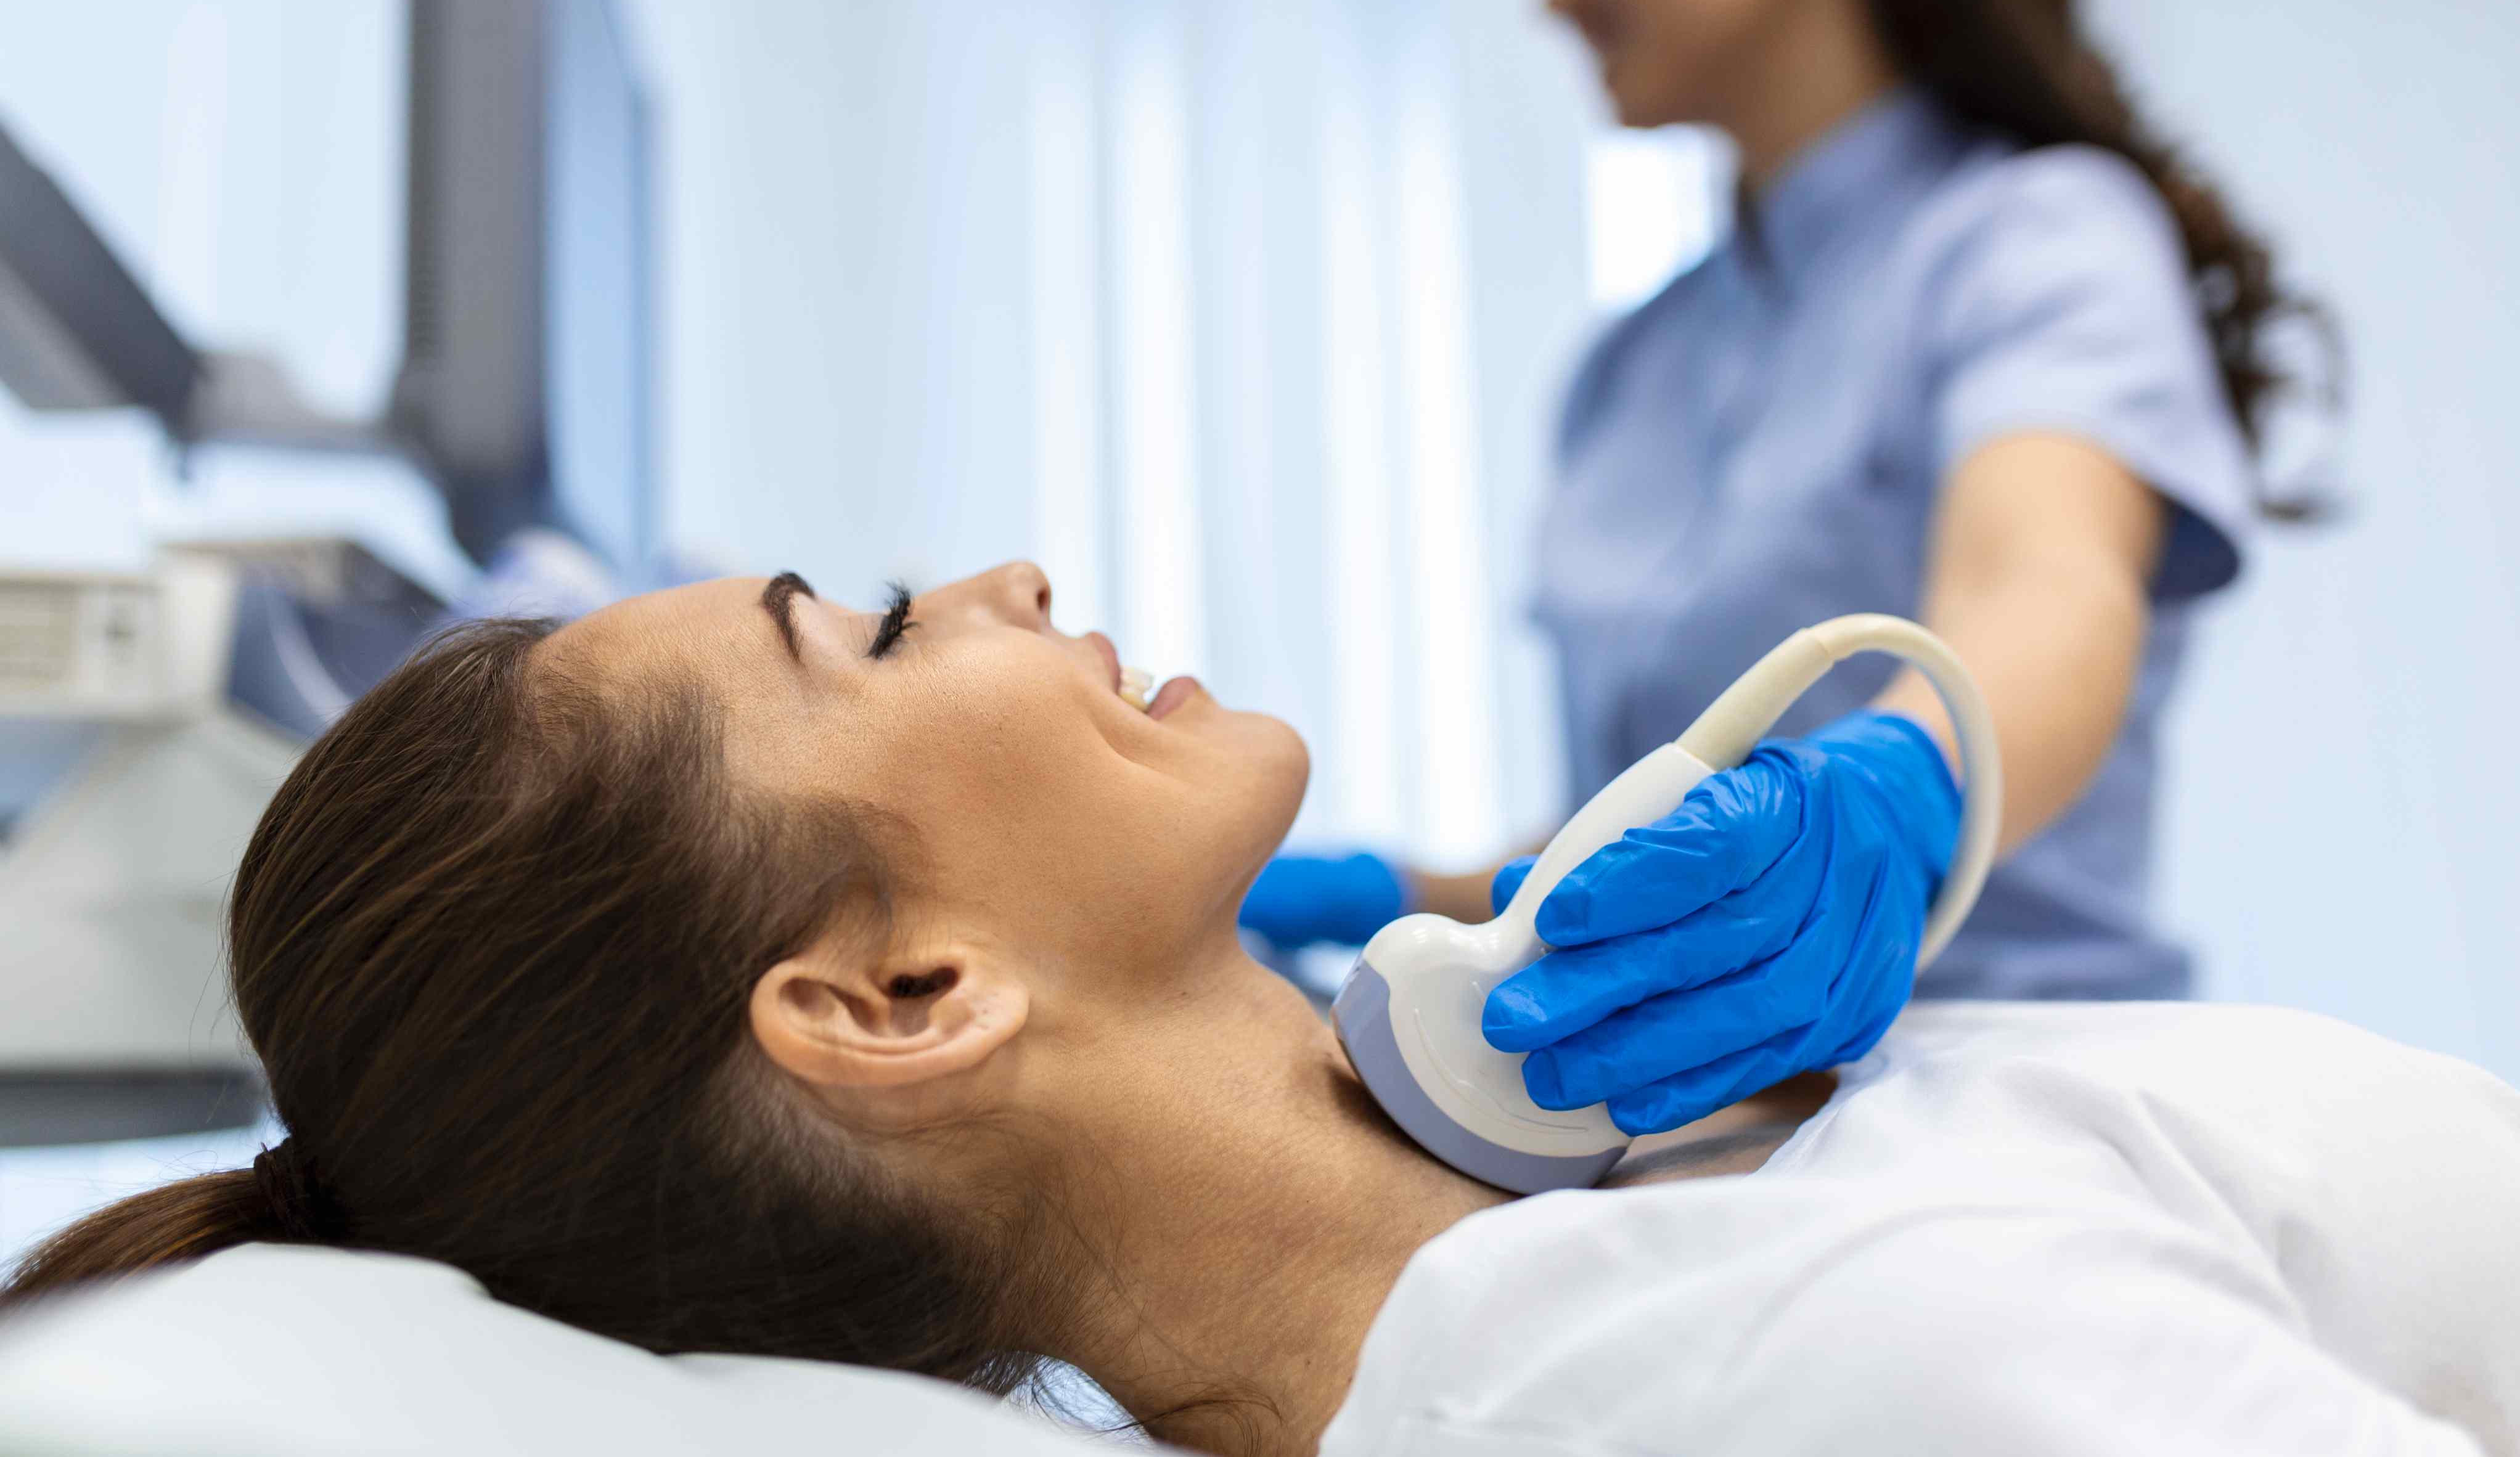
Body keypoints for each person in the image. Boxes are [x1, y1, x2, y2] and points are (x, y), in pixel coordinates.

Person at [6, 567, 2511, 1457]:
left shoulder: (1587, 1173)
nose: (1002, 573)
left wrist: (1894, 766)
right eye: (870, 628)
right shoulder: (1757, 1356)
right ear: (899, 997)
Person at [1242, 0, 2332, 1133]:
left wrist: (1904, 783)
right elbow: (1682, 845)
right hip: (1692, 1143)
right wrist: (1401, 897)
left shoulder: (2040, 241)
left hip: (2021, 1110)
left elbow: (2046, 586)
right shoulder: (1633, 366)